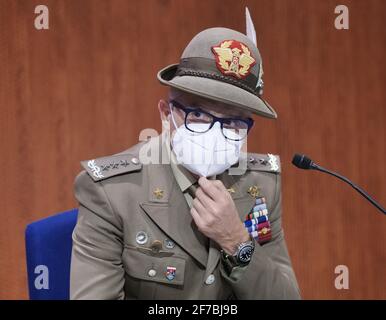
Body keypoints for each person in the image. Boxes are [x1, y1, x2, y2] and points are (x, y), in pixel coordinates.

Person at [70, 27, 301, 299]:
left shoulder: (260, 184)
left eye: (233, 121)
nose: (217, 132)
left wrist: (238, 243)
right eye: (199, 114)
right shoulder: (113, 190)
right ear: (166, 114)